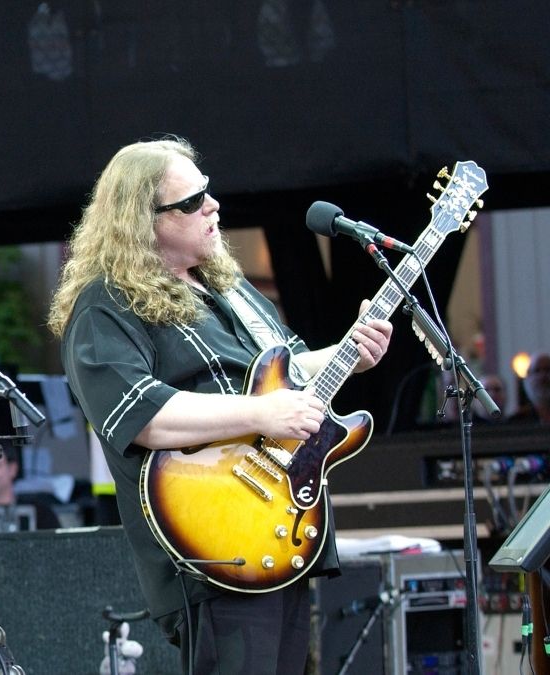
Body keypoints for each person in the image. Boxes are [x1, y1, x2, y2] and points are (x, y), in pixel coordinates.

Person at [47, 138, 392, 675]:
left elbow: (292, 380)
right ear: (141, 221)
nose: (212, 207)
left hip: (283, 532)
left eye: (207, 194)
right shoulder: (103, 305)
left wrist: (352, 354)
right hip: (213, 544)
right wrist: (260, 416)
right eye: (191, 202)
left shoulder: (232, 289)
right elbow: (143, 415)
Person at [510, 352, 550, 424]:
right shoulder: (517, 421)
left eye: (548, 370)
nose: (543, 376)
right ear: (528, 377)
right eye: (537, 371)